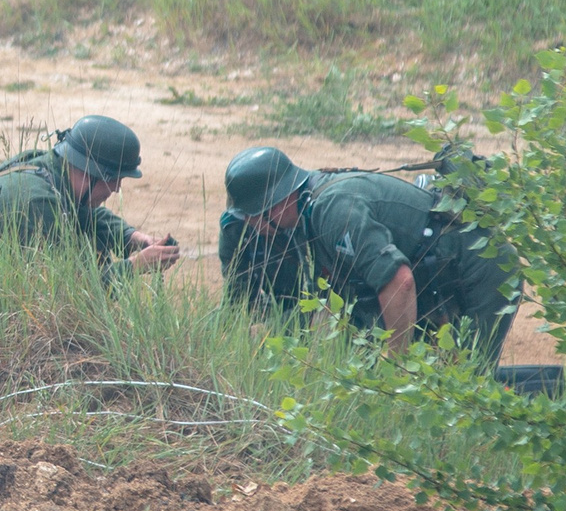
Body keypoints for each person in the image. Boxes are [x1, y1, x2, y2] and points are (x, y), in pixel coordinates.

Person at [219, 146, 520, 362]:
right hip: (439, 277)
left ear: (278, 205)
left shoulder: (332, 209)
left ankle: (550, 395)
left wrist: (397, 367)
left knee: (467, 390)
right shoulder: (305, 211)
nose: (250, 224)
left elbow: (399, 282)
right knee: (437, 381)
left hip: (485, 269)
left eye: (253, 215)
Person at [0, 115, 180, 272]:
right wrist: (135, 267)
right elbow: (80, 290)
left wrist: (132, 237)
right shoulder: (38, 203)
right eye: (114, 179)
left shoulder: (45, 166)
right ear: (92, 173)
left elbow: (81, 211)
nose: (117, 188)